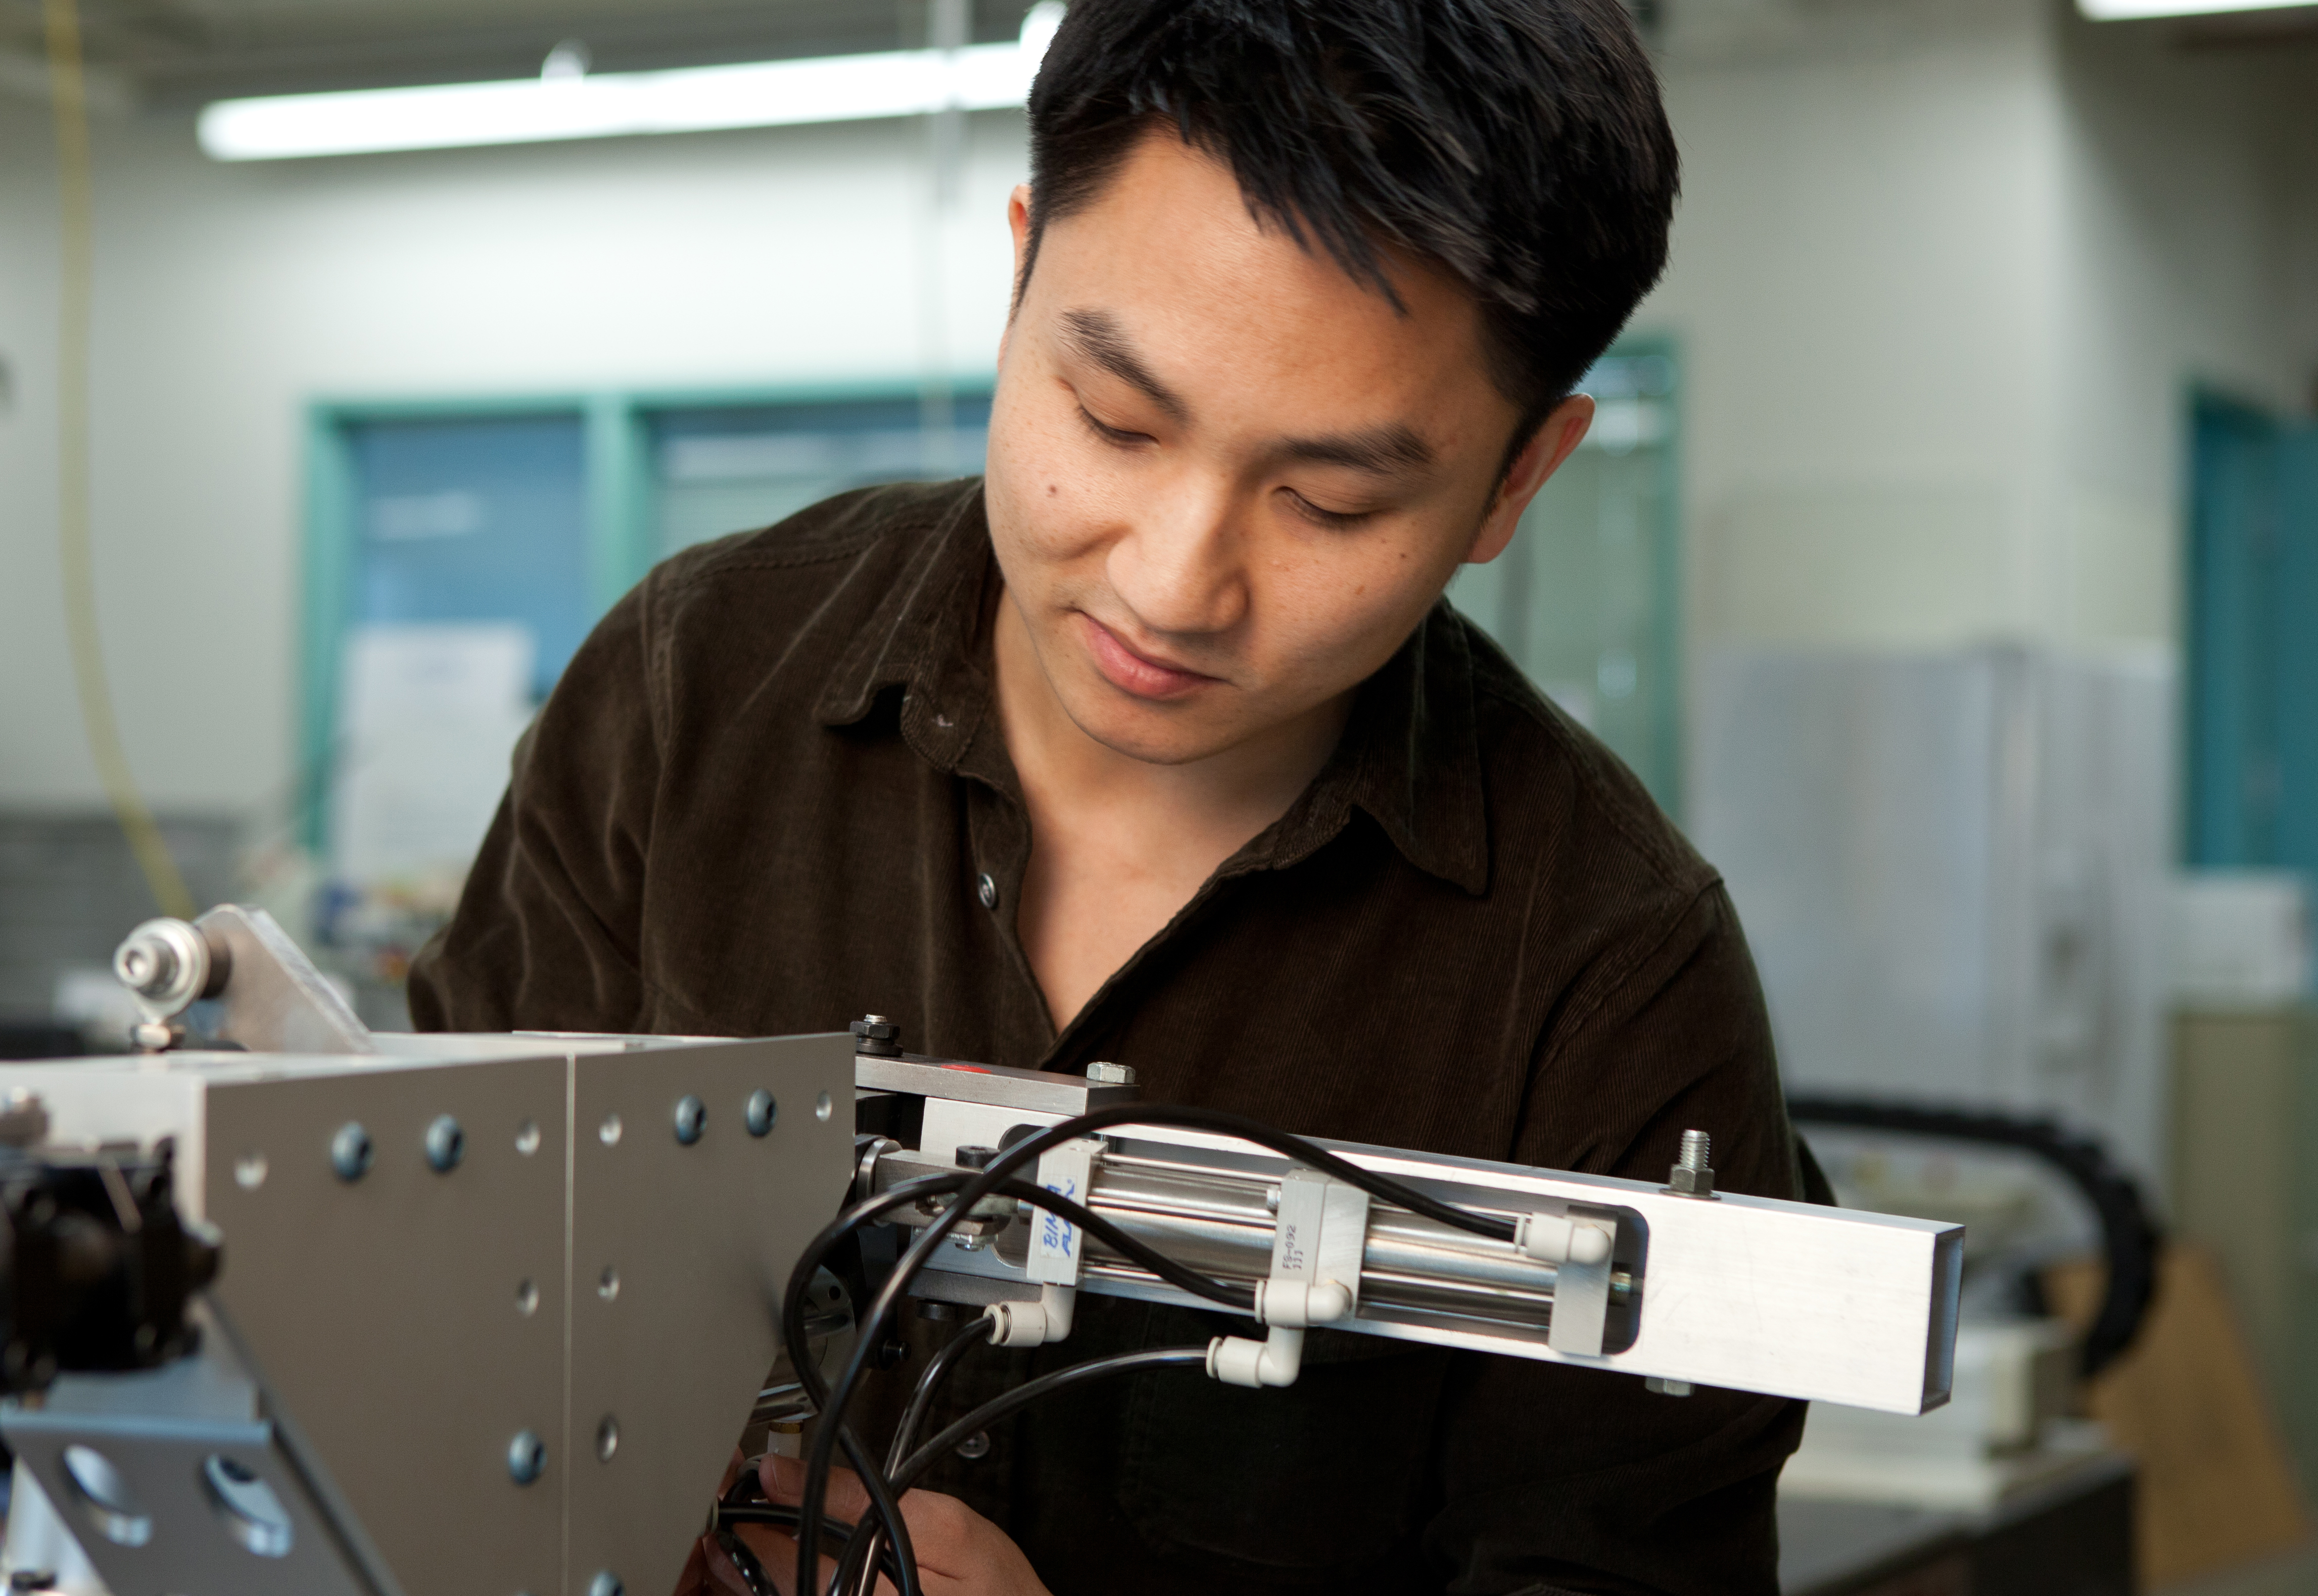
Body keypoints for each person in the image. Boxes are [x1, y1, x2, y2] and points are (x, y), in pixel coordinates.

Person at [409, 1, 1811, 1591]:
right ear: (1020, 272)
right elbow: (432, 1301)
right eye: (1115, 422)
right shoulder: (692, 691)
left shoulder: (1611, 972)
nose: (1174, 584)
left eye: (1328, 501)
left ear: (1517, 480)